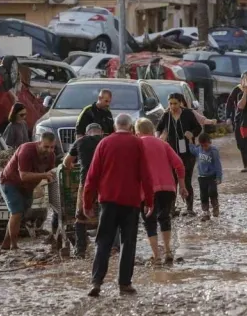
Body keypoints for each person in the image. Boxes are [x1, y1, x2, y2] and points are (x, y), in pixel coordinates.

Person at [84, 114, 154, 297]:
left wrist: (87, 202)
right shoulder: (138, 143)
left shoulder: (104, 143)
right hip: (131, 202)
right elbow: (146, 174)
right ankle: (124, 284)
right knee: (128, 243)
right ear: (131, 128)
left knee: (103, 241)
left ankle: (96, 282)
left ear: (115, 127)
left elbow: (91, 176)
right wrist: (149, 201)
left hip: (107, 201)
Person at [135, 118, 186, 264]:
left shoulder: (137, 145)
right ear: (152, 130)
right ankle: (168, 251)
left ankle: (156, 256)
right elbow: (179, 165)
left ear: (137, 132)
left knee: (149, 221)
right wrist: (182, 186)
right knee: (165, 218)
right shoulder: (163, 144)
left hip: (147, 190)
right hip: (168, 189)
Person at [0, 135, 57, 250]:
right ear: (38, 143)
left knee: (19, 215)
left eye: (52, 147)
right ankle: (14, 246)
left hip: (28, 187)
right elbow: (24, 176)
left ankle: (5, 244)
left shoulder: (51, 155)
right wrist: (44, 175)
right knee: (17, 213)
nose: (49, 150)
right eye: (46, 147)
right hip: (11, 182)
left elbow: (51, 173)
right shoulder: (26, 150)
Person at [62, 123, 106, 258]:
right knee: (106, 214)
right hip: (105, 183)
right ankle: (107, 247)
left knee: (80, 216)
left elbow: (66, 162)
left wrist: (72, 165)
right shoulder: (106, 141)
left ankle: (80, 249)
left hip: (86, 182)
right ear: (101, 132)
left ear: (87, 133)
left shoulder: (80, 141)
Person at [156, 93, 202, 215]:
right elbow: (158, 128)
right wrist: (160, 138)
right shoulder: (166, 116)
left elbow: (198, 128)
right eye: (170, 103)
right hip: (171, 152)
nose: (173, 106)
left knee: (186, 180)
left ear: (181, 103)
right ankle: (171, 208)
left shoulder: (188, 114)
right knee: (172, 181)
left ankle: (189, 208)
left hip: (187, 152)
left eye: (175, 103)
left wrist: (192, 134)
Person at [186, 132, 223, 222]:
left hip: (212, 176)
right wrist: (190, 139)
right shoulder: (199, 149)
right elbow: (192, 149)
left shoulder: (213, 151)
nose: (204, 148)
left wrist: (219, 177)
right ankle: (205, 212)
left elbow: (218, 164)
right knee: (203, 195)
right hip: (201, 177)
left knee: (212, 192)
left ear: (209, 142)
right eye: (202, 145)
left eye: (206, 145)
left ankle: (215, 207)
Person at [226, 71, 247, 172]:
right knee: (240, 144)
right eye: (245, 80)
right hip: (239, 120)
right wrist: (228, 117)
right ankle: (246, 165)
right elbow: (229, 103)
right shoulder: (237, 90)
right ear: (242, 80)